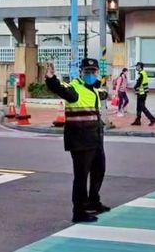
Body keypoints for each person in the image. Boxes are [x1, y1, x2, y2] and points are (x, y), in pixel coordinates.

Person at [45, 59, 110, 223]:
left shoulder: (93, 89)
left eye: (93, 71)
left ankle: (93, 202)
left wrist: (110, 90)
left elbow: (102, 93)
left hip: (95, 139)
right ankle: (79, 211)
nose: (90, 74)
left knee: (99, 170)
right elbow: (60, 88)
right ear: (80, 72)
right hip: (80, 140)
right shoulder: (74, 88)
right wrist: (51, 79)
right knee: (81, 177)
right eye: (87, 71)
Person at [131, 62, 155, 126]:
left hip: (142, 94)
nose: (136, 68)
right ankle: (138, 121)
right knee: (139, 108)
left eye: (137, 66)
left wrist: (134, 88)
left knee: (142, 107)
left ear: (140, 66)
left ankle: (152, 119)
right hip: (142, 93)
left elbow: (138, 84)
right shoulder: (143, 73)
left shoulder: (141, 74)